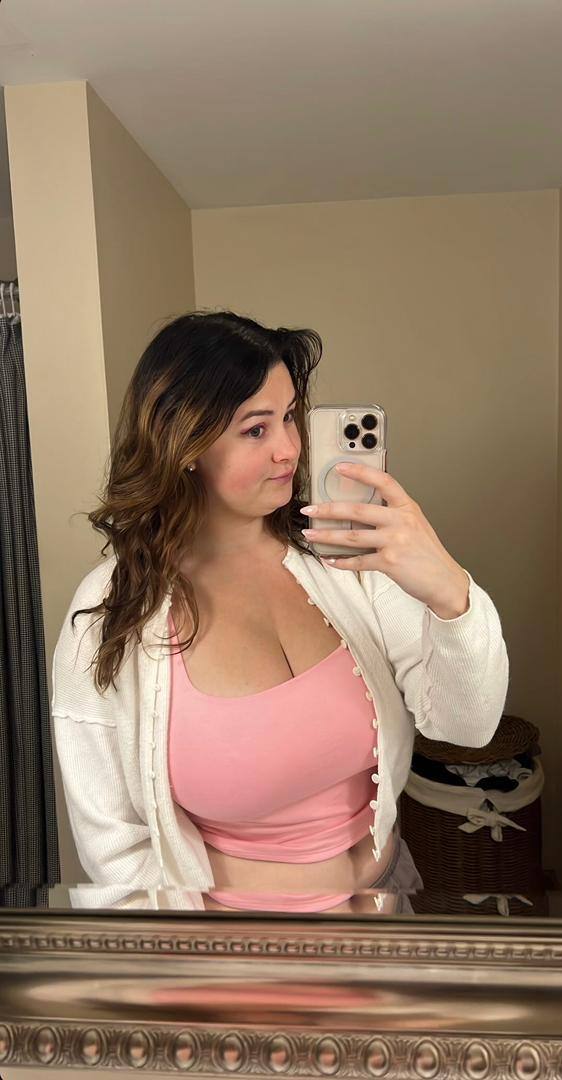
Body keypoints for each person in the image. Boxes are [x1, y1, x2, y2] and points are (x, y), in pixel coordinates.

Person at [52, 309, 509, 913]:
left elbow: (466, 727)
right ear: (184, 444)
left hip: (383, 911)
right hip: (228, 948)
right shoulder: (112, 611)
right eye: (256, 429)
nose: (289, 449)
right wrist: (195, 956)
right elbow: (113, 850)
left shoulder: (345, 560)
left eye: (289, 416)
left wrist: (449, 592)